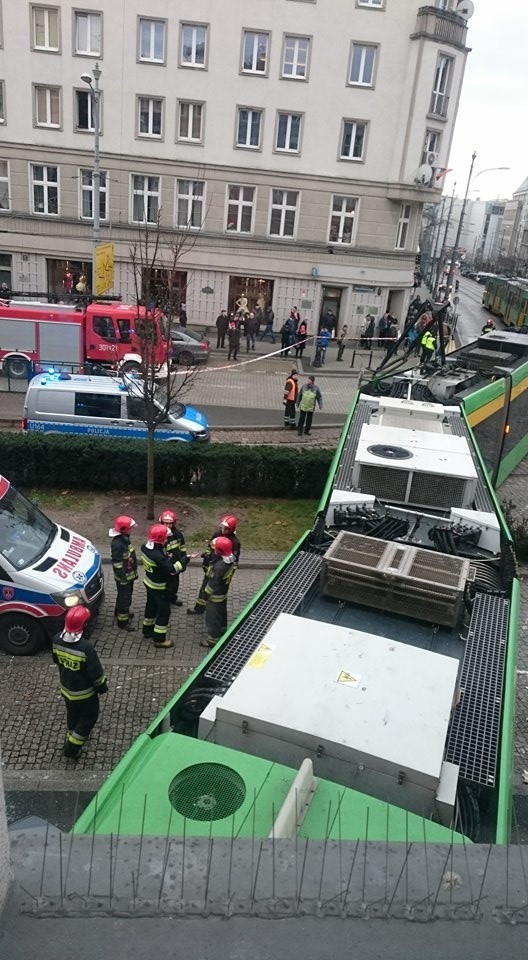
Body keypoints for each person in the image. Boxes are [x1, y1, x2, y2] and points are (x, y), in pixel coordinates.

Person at [52, 606, 108, 759]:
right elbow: (95, 673)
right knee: (89, 717)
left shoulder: (56, 640)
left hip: (66, 690)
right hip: (85, 694)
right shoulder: (86, 648)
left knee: (73, 714)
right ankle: (72, 748)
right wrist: (102, 686)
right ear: (83, 625)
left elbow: (56, 660)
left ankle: (71, 735)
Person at [141, 523, 188, 648]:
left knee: (150, 606)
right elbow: (172, 569)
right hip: (160, 587)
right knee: (163, 612)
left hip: (149, 583)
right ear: (160, 539)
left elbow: (159, 560)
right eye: (165, 537)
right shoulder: (157, 556)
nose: (167, 539)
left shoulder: (146, 547)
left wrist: (166, 557)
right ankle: (159, 639)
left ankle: (147, 630)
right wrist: (185, 560)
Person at [187, 515, 240, 615]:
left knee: (219, 596)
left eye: (226, 529)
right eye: (222, 528)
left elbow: (234, 562)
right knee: (204, 588)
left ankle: (218, 619)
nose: (223, 530)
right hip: (210, 566)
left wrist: (228, 576)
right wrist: (206, 557)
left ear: (232, 529)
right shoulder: (217, 534)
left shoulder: (235, 543)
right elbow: (210, 547)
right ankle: (199, 608)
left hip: (221, 571)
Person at [202, 536, 237, 648]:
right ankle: (222, 629)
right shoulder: (230, 559)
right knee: (222, 612)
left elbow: (213, 582)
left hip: (215, 595)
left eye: (215, 548)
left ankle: (213, 639)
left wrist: (205, 594)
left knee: (212, 616)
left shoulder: (219, 567)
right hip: (223, 593)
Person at [109, 515, 138, 632]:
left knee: (123, 596)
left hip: (127, 575)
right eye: (130, 528)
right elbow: (117, 564)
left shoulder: (124, 538)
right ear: (124, 529)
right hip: (124, 577)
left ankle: (118, 612)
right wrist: (123, 578)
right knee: (124, 598)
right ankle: (122, 621)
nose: (132, 530)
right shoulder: (118, 544)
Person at [159, 509, 186, 606]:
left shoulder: (177, 534)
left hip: (176, 564)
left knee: (174, 583)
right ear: (161, 522)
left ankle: (172, 598)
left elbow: (182, 547)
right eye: (166, 523)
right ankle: (163, 600)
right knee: (164, 584)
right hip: (165, 566)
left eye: (170, 523)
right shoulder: (159, 534)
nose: (168, 526)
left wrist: (183, 561)